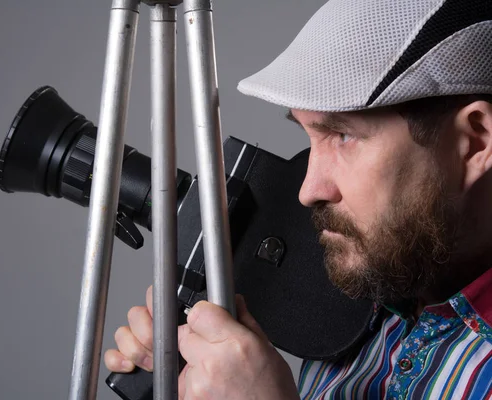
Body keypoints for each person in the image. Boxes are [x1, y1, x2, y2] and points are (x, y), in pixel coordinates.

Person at [104, 0, 492, 398]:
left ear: (473, 141)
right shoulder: (369, 292)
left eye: (343, 136)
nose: (309, 190)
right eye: (309, 137)